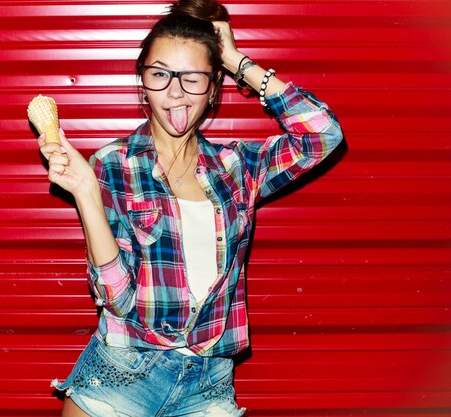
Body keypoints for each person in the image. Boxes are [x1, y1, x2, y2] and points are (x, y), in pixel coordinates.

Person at [38, 0, 344, 415]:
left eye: (193, 77)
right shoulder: (112, 165)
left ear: (215, 85)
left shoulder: (237, 167)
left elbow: (322, 134)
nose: (175, 92)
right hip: (122, 372)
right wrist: (87, 194)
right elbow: (118, 300)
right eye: (160, 74)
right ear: (142, 83)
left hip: (209, 382)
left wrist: (236, 59)